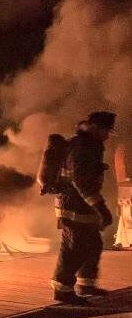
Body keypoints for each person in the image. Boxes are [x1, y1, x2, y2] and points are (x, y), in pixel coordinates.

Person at [51, 110, 116, 305]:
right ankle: (62, 290)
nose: (108, 135)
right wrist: (100, 206)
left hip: (81, 204)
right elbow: (81, 180)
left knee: (93, 243)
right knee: (74, 247)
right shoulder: (83, 146)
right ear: (95, 128)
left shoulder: (90, 144)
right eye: (106, 131)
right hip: (73, 205)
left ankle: (86, 284)